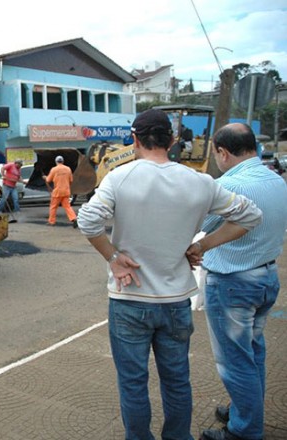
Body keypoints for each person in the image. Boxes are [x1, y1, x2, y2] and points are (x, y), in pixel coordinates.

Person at [76, 109, 262, 440]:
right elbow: (250, 215)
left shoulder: (120, 177)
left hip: (129, 299)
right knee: (177, 380)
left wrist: (114, 257)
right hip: (176, 301)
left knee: (133, 382)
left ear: (134, 140)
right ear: (173, 141)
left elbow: (88, 220)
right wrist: (203, 245)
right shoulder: (201, 182)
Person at [189, 123, 287, 440]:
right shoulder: (276, 180)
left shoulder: (231, 184)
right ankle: (245, 411)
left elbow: (200, 223)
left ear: (223, 152)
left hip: (234, 283)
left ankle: (244, 430)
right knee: (253, 353)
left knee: (234, 362)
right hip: (267, 277)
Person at [43, 155, 77, 228]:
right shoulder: (68, 169)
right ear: (63, 161)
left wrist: (45, 177)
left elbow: (48, 180)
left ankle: (51, 221)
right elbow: (71, 180)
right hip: (66, 191)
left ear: (56, 162)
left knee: (53, 207)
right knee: (67, 206)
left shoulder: (54, 169)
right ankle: (73, 218)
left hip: (57, 192)